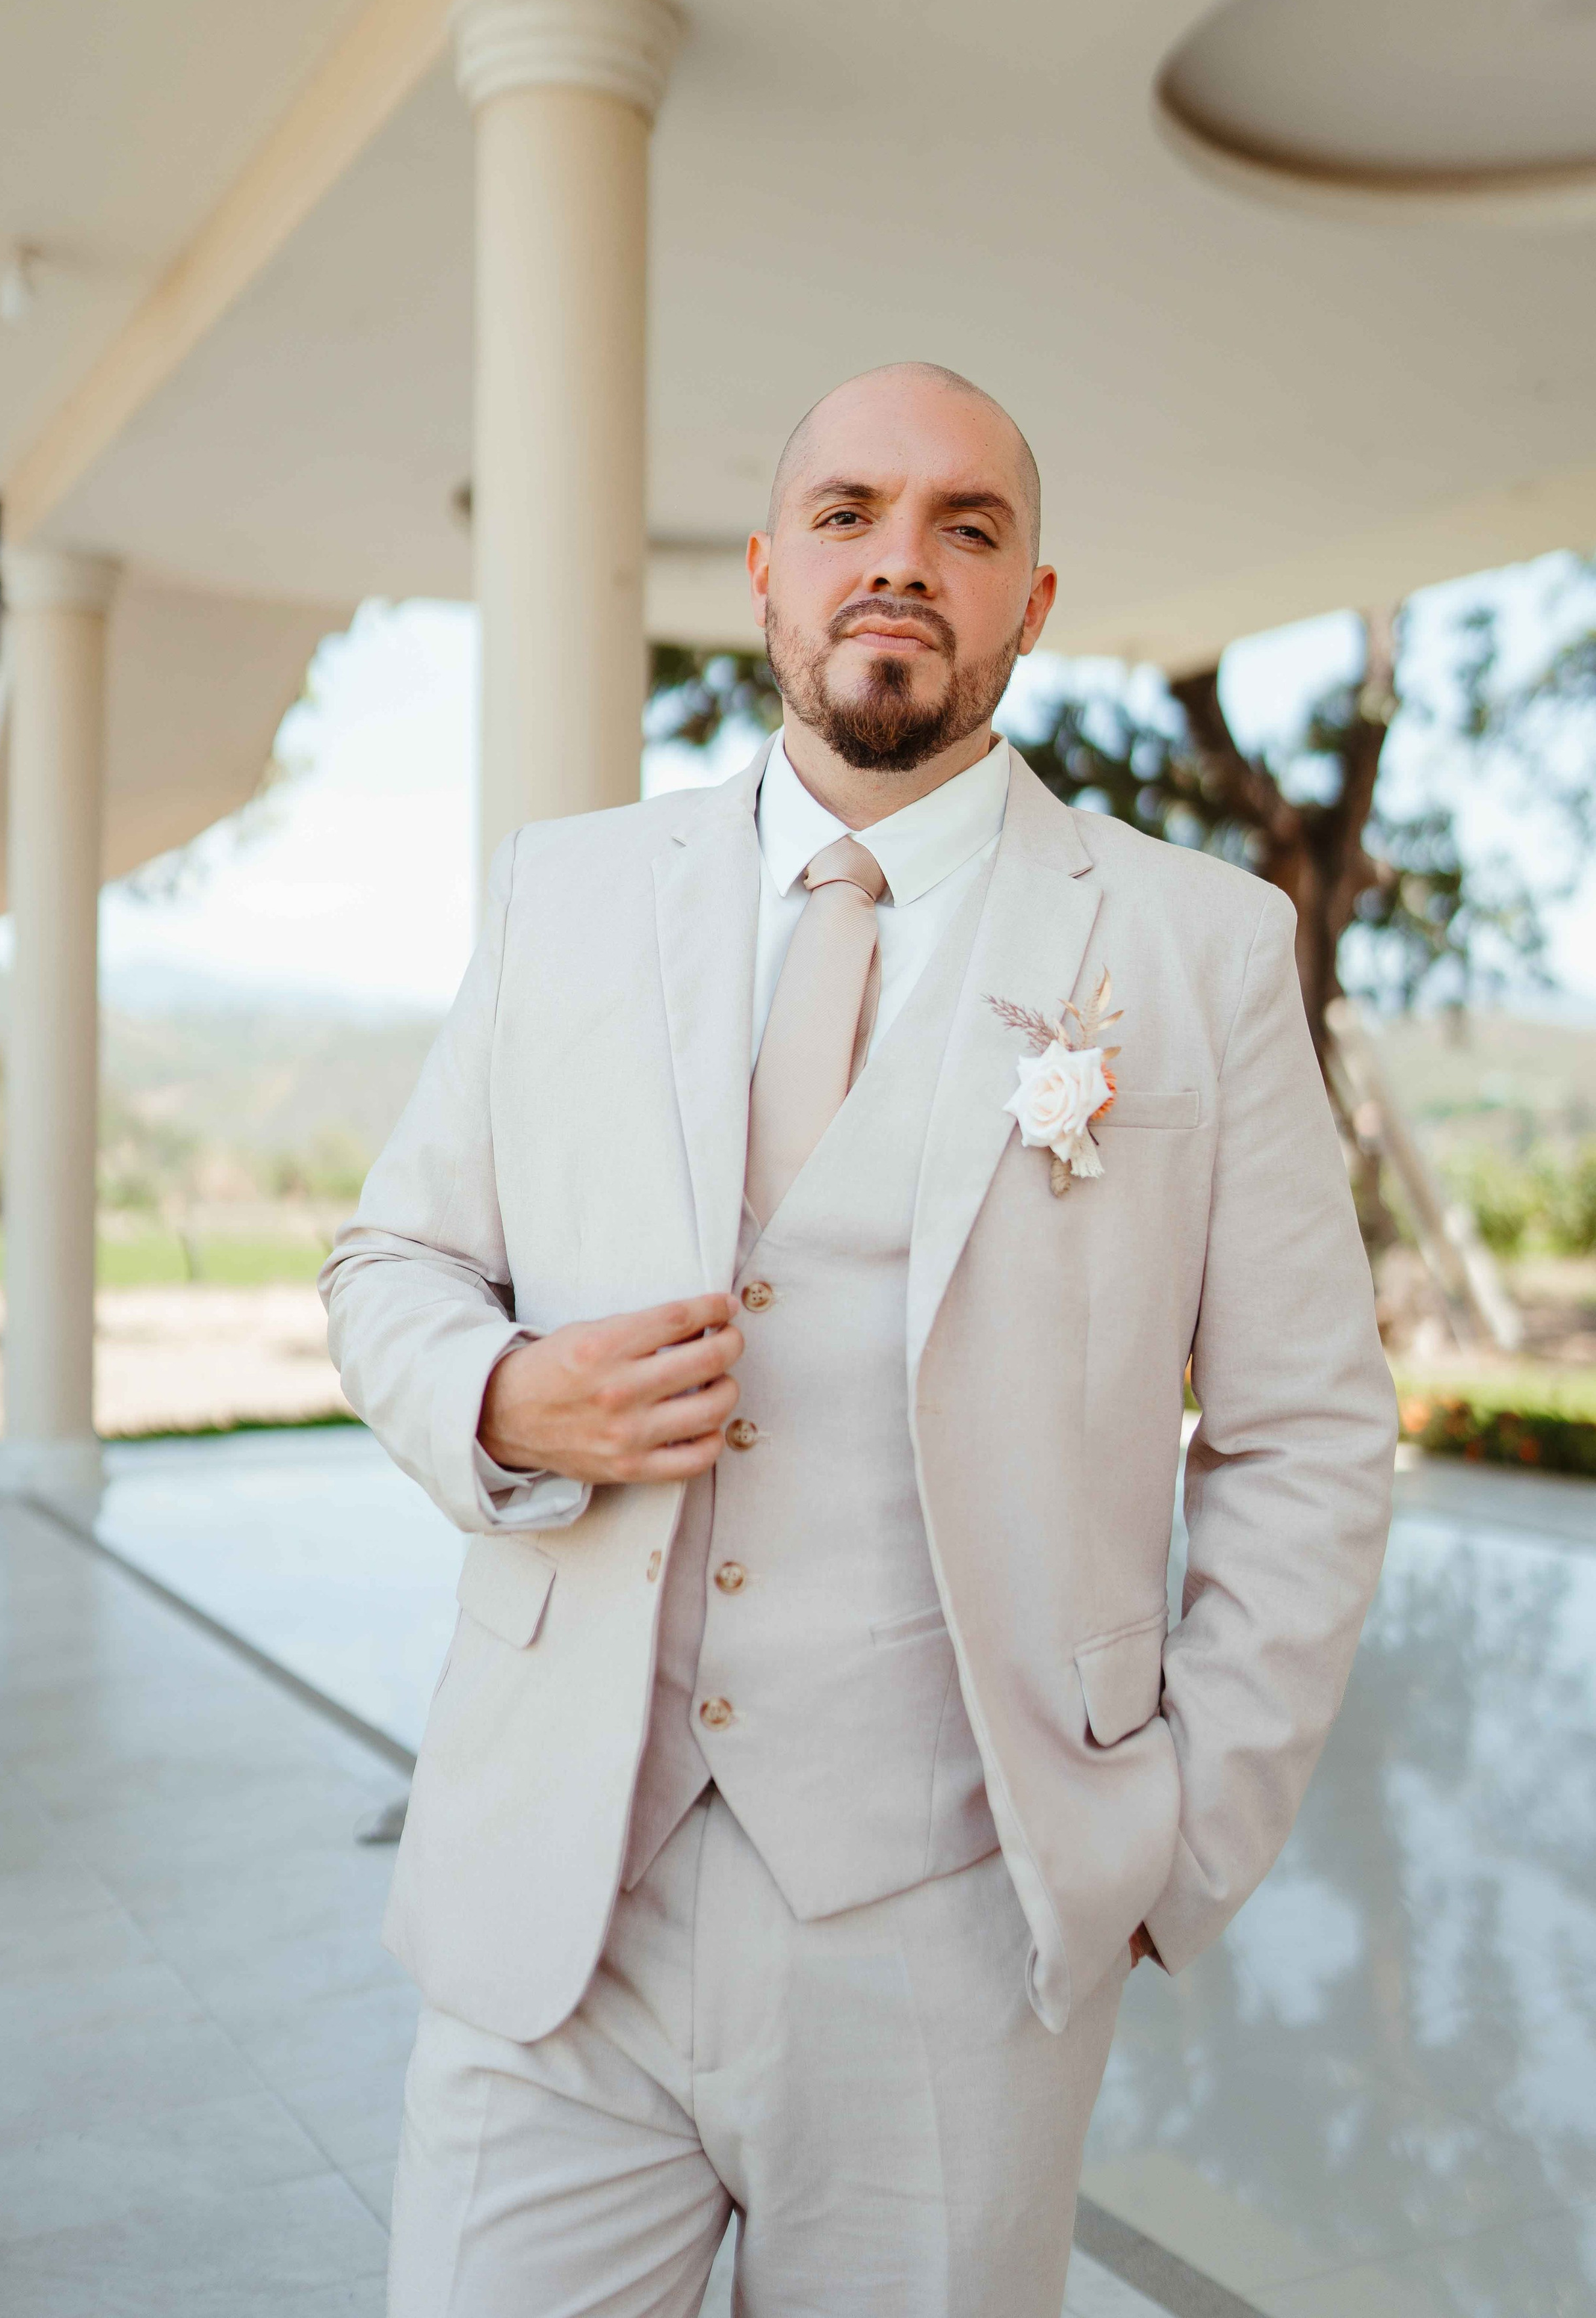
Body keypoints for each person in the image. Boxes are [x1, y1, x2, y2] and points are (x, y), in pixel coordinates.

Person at [321, 361, 1397, 2318]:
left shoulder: (1194, 943)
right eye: (849, 514)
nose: (901, 561)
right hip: (561, 1897)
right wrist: (502, 1391)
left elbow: (1309, 1434)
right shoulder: (563, 894)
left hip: (955, 1930)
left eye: (965, 526)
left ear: (1034, 600)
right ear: (764, 570)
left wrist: (1169, 1839)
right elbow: (388, 1260)